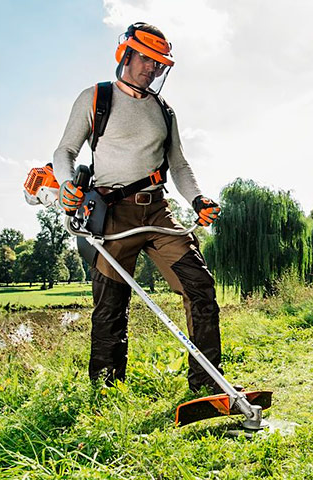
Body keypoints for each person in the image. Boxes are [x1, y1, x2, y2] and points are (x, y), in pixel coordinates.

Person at [52, 22, 225, 394]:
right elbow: (65, 151)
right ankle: (106, 391)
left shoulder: (164, 111)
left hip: (158, 213)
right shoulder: (96, 98)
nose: (152, 68)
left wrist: (198, 199)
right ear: (126, 54)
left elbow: (179, 165)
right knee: (110, 306)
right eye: (146, 59)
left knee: (200, 287)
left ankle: (208, 385)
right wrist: (67, 184)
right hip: (112, 215)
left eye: (159, 63)